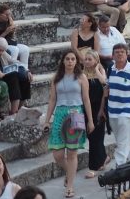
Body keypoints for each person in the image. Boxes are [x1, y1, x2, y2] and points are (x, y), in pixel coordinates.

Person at [42, 51, 94, 199]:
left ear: (76, 61)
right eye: (67, 59)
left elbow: (86, 99)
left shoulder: (82, 77)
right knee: (58, 154)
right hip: (60, 114)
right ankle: (70, 172)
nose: (70, 61)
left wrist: (90, 120)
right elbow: (52, 99)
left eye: (73, 59)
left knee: (72, 153)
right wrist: (47, 120)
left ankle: (70, 187)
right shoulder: (56, 78)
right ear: (63, 61)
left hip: (76, 114)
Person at [78, 49, 107, 179]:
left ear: (96, 60)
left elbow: (104, 82)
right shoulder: (81, 73)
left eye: (90, 59)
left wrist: (96, 70)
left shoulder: (100, 71)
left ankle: (93, 167)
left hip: (98, 108)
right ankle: (103, 158)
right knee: (92, 136)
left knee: (96, 137)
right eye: (86, 59)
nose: (87, 61)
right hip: (85, 108)